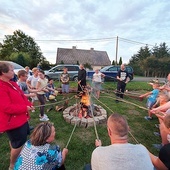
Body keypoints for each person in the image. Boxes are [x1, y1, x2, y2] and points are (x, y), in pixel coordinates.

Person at [0, 61, 34, 170]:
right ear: (3, 72)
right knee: (18, 144)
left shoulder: (12, 83)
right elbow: (6, 107)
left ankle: (18, 155)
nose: (13, 72)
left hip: (21, 118)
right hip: (13, 122)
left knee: (17, 142)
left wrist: (29, 104)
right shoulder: (1, 87)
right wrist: (24, 108)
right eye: (11, 70)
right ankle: (13, 164)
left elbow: (22, 97)